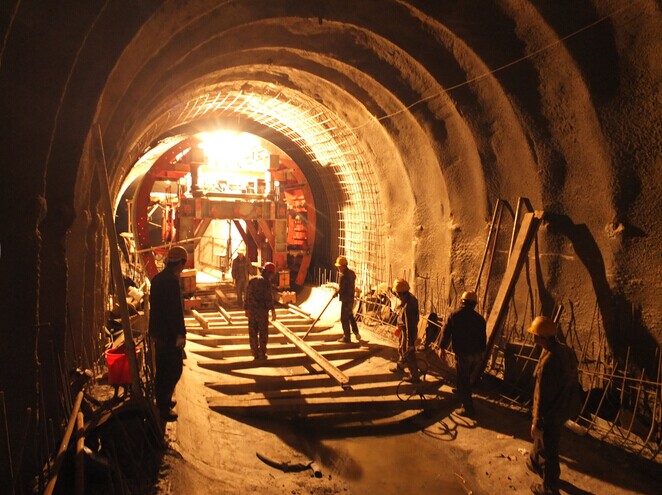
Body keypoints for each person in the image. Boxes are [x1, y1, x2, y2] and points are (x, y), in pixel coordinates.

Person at [527, 316, 579, 495]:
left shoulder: (549, 361)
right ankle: (534, 461)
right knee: (541, 440)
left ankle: (550, 487)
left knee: (549, 447)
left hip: (552, 413)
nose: (532, 337)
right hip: (564, 406)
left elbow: (543, 396)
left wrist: (536, 421)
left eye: (534, 334)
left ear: (542, 337)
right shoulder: (565, 351)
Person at [148, 245, 188, 422]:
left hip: (158, 332)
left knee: (162, 368)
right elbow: (174, 311)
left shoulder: (157, 279)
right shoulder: (171, 282)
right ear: (180, 262)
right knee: (173, 370)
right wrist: (180, 334)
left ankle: (162, 400)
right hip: (169, 334)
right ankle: (163, 408)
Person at [438, 291, 486, 417]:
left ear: (462, 301)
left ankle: (467, 408)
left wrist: (441, 348)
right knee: (464, 375)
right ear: (474, 304)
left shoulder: (454, 315)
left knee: (464, 379)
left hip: (463, 353)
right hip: (476, 354)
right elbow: (483, 337)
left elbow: (445, 332)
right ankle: (460, 391)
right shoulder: (480, 319)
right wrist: (482, 353)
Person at [389, 279, 421, 383]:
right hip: (404, 329)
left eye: (398, 294)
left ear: (402, 293)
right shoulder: (408, 299)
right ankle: (400, 367)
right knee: (401, 349)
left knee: (408, 352)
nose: (397, 296)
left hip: (408, 332)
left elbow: (410, 326)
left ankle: (414, 376)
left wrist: (410, 343)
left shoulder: (409, 306)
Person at [245, 262, 277, 360]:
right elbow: (268, 298)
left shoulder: (252, 280)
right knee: (263, 333)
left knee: (253, 333)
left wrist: (246, 309)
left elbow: (246, 296)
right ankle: (262, 353)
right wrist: (273, 311)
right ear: (269, 273)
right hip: (262, 312)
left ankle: (255, 353)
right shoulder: (266, 283)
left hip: (252, 312)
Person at [334, 256, 361, 343]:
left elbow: (341, 289)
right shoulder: (352, 273)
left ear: (343, 266)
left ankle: (347, 337)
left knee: (344, 318)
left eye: (339, 266)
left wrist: (336, 293)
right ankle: (356, 332)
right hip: (351, 298)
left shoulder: (342, 276)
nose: (338, 268)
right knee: (350, 315)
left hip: (345, 299)